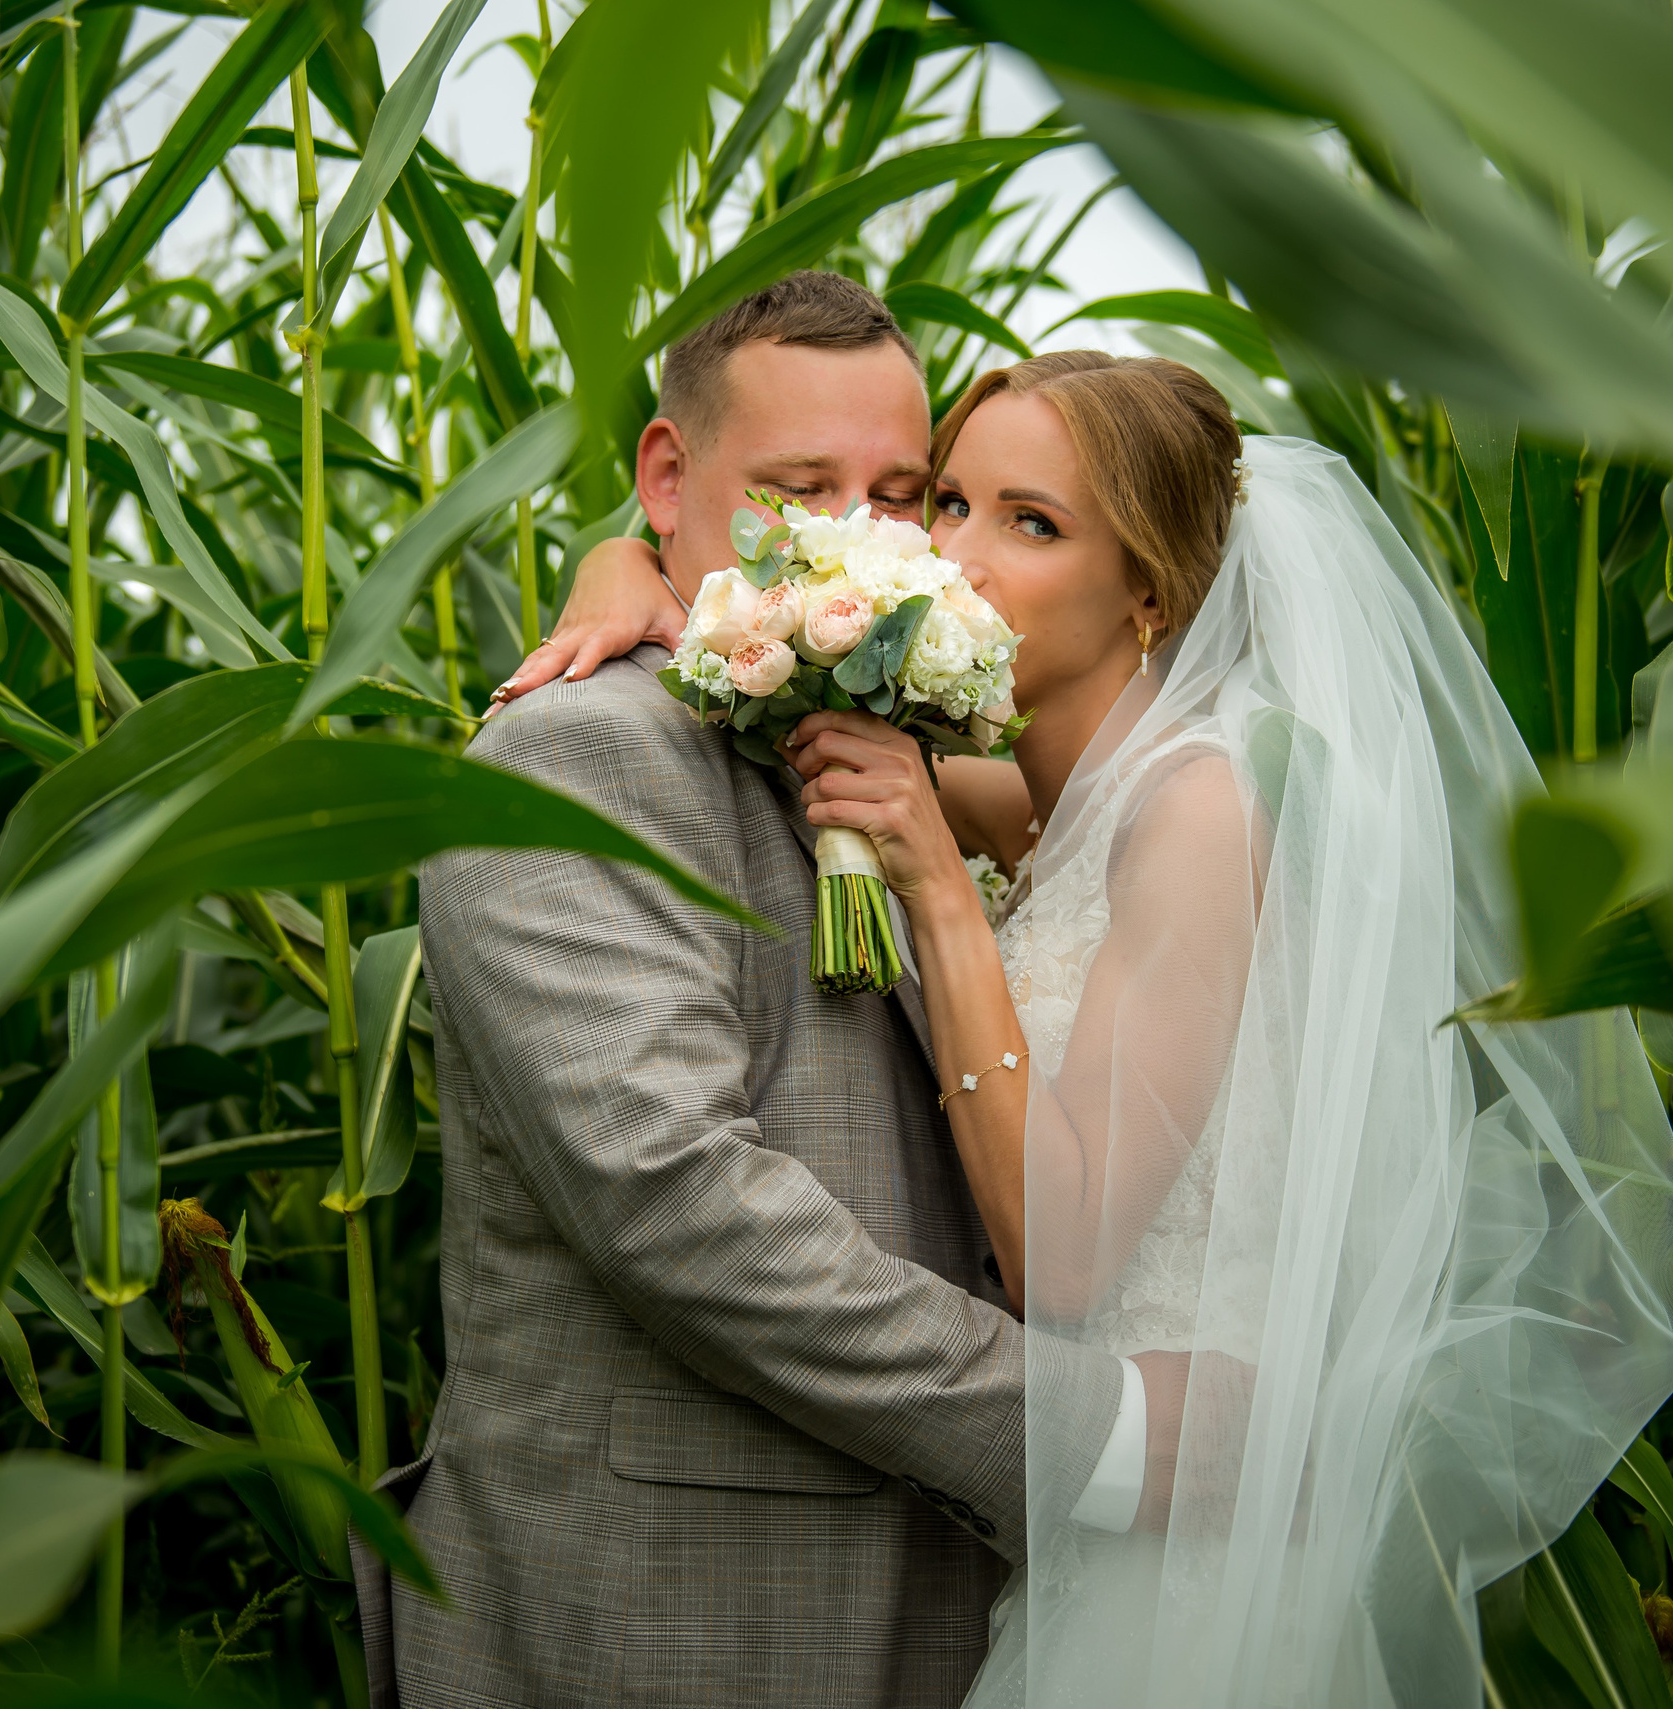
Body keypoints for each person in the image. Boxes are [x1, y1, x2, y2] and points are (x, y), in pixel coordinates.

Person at [502, 347, 1673, 1706]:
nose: (954, 552)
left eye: (1033, 522)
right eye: (946, 503)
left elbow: (1064, 1260)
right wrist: (626, 567)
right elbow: (779, 654)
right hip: (1057, 1531)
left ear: (1148, 590)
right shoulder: (1041, 796)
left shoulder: (1193, 812)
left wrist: (942, 895)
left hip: (1183, 1548)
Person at [387, 275, 1150, 1709]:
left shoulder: (904, 743)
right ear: (667, 477)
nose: (849, 542)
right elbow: (681, 1202)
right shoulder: (572, 763)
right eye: (796, 490)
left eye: (894, 495)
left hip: (925, 1609)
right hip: (664, 1620)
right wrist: (1097, 1435)